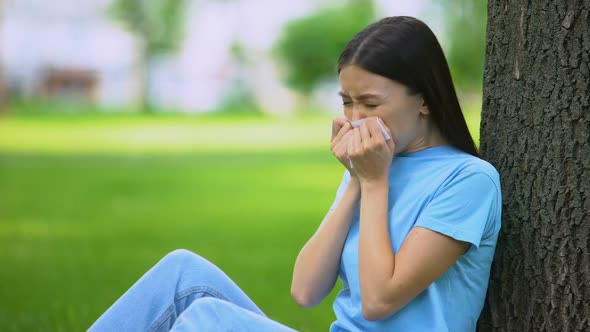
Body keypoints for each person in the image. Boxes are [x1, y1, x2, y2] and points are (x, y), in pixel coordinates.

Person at [88, 16, 501, 332]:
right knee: (181, 273)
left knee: (208, 319)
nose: (355, 120)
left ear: (425, 101)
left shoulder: (468, 180)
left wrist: (375, 182)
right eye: (346, 102)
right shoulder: (372, 167)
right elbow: (306, 291)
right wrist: (357, 181)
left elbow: (378, 302)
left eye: (371, 104)